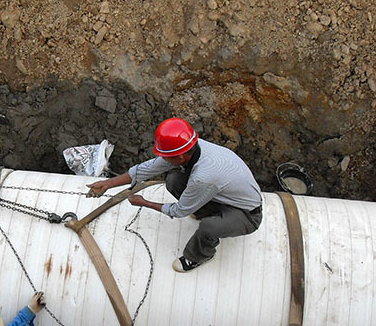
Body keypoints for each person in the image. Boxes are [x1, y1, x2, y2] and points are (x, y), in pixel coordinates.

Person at [87, 117, 262, 273]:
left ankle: (199, 256)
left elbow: (179, 211)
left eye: (166, 156)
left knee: (208, 228)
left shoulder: (203, 177)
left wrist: (144, 202)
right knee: (174, 180)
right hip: (224, 194)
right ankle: (203, 211)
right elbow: (147, 169)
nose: (163, 159)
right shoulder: (192, 146)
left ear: (180, 157)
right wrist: (107, 184)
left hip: (246, 213)